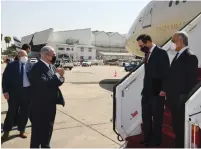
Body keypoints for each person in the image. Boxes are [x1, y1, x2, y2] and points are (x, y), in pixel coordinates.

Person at [136, 34, 170, 147]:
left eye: (142, 45)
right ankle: (147, 138)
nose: (141, 48)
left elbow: (166, 73)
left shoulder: (161, 53)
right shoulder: (147, 53)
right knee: (146, 117)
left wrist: (164, 89)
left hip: (157, 91)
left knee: (157, 118)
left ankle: (156, 140)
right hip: (146, 92)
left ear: (149, 42)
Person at [166, 31, 198, 148]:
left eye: (173, 41)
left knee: (181, 129)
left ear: (180, 41)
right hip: (174, 99)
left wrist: (183, 100)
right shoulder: (178, 55)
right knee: (176, 127)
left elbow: (190, 83)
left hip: (180, 100)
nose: (172, 44)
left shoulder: (190, 57)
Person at [29, 46, 65, 148]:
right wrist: (57, 75)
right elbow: (43, 85)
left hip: (50, 104)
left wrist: (61, 77)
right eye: (53, 54)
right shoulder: (37, 68)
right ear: (45, 55)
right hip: (39, 106)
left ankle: (46, 145)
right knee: (37, 133)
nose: (55, 56)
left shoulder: (52, 66)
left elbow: (56, 83)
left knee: (48, 130)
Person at [2, 50, 33, 140]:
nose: (25, 57)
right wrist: (5, 91)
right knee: (11, 113)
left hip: (27, 93)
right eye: (22, 56)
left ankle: (21, 131)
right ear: (18, 56)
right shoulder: (11, 65)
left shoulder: (31, 65)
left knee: (24, 113)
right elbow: (5, 79)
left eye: (26, 55)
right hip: (14, 94)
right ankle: (6, 132)